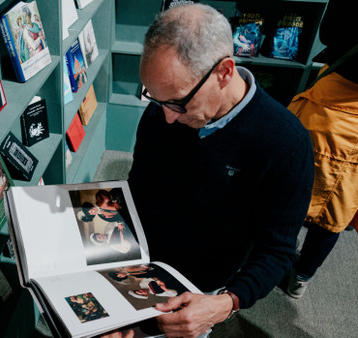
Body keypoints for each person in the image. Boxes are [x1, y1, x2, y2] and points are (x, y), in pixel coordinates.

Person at [127, 4, 314, 337]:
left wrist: (225, 303)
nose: (167, 117)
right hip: (135, 266)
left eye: (178, 102)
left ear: (225, 72)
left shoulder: (286, 142)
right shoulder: (160, 114)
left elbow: (277, 250)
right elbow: (139, 187)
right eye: (155, 98)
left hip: (200, 287)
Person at [286, 0, 358, 299]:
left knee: (290, 190)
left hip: (329, 105)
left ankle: (272, 259)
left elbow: (329, 34)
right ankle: (301, 277)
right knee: (336, 210)